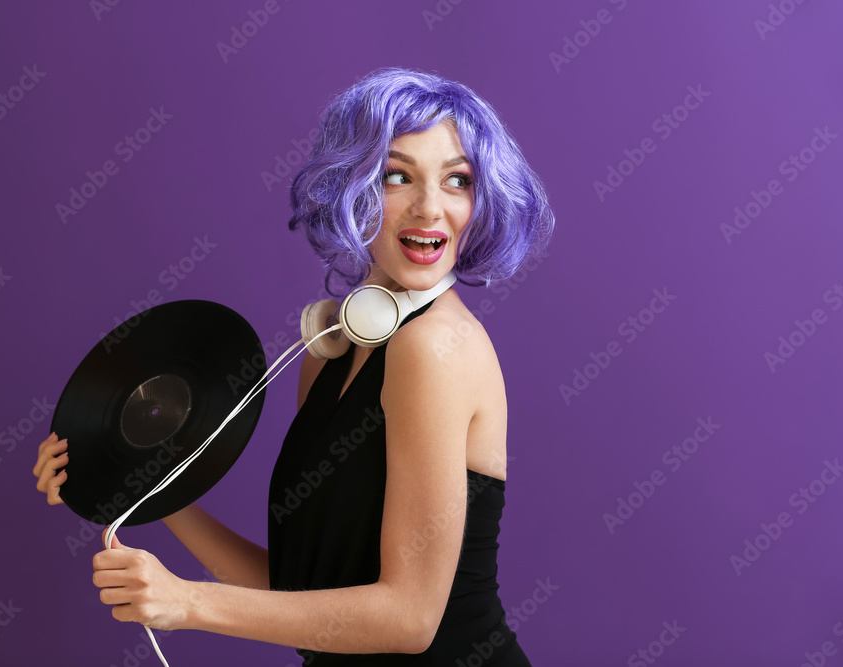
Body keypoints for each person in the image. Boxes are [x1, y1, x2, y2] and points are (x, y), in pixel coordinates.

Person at [34, 66, 554, 665]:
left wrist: (188, 604)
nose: (430, 208)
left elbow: (408, 619)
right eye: (396, 176)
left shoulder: (435, 348)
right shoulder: (335, 348)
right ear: (351, 187)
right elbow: (303, 593)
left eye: (457, 180)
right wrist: (146, 489)